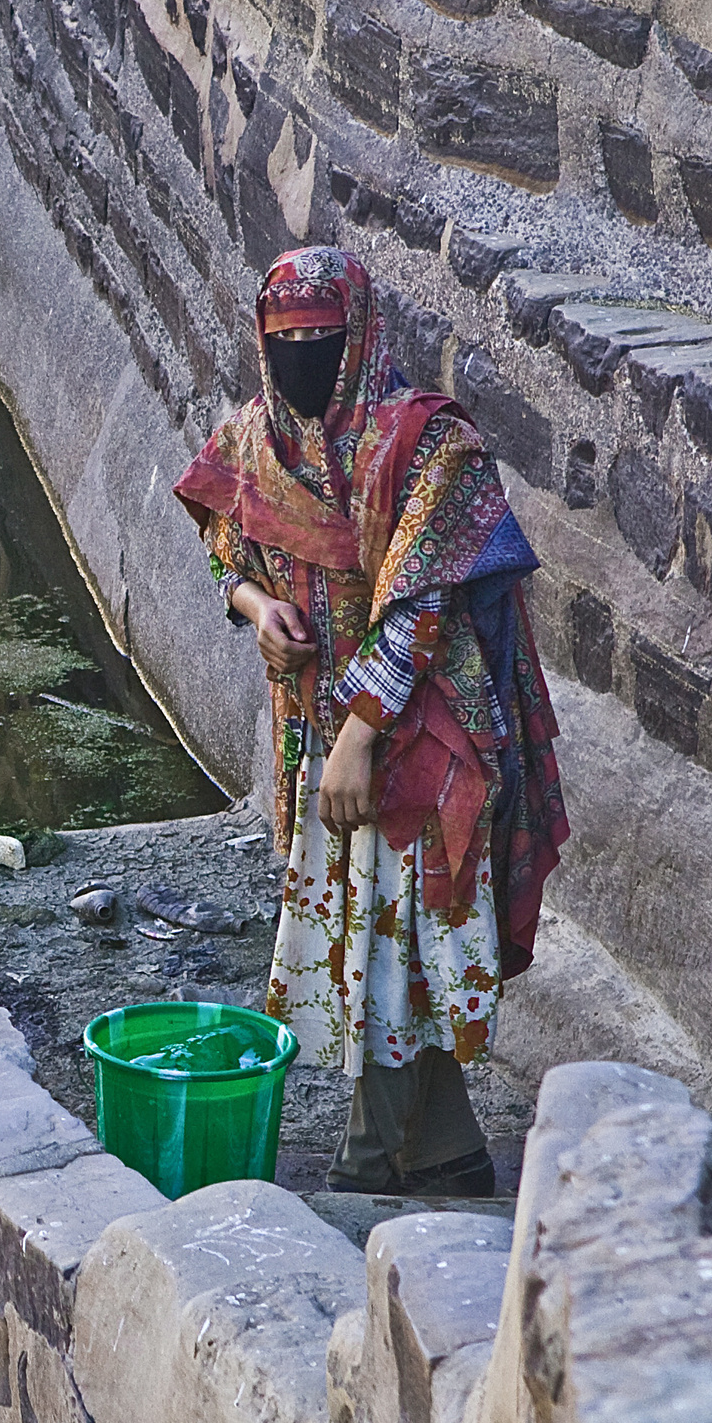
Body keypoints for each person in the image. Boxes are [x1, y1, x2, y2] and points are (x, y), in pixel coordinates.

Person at [172, 246, 567, 1197]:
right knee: (373, 927)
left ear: (360, 332)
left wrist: (358, 735)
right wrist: (256, 610)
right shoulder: (256, 439)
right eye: (286, 339)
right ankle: (445, 1149)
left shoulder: (428, 444)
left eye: (322, 336)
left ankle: (362, 1164)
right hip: (315, 727)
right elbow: (224, 538)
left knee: (392, 932)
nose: (304, 352)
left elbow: (420, 602)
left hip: (420, 729)